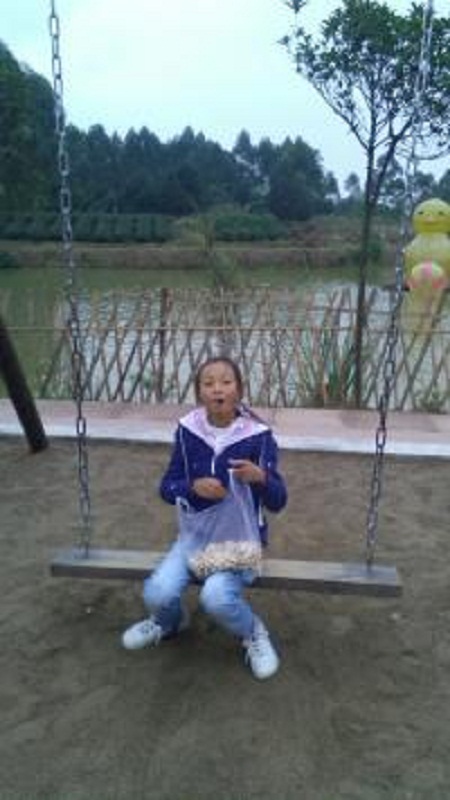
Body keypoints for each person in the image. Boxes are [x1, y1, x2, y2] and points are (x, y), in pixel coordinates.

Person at [121, 356, 288, 680]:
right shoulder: (188, 432)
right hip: (194, 539)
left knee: (216, 598)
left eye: (226, 382)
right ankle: (169, 622)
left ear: (239, 390)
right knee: (157, 593)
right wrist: (192, 487)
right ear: (199, 393)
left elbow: (279, 500)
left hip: (238, 543)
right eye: (208, 383)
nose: (217, 389)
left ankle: (253, 632)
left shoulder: (258, 437)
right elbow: (167, 488)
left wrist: (261, 478)